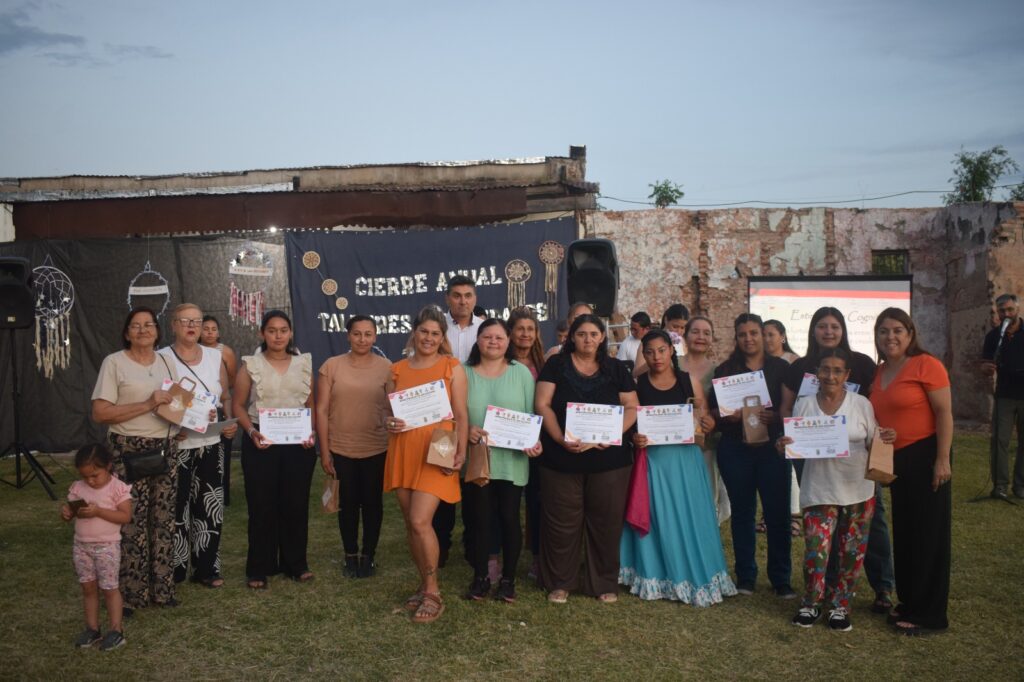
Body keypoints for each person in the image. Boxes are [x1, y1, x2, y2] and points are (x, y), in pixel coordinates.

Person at [779, 306, 896, 614]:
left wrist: (885, 440)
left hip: (858, 482)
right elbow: (792, 424)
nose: (828, 331)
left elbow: (873, 433)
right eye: (822, 326)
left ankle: (871, 591)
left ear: (847, 375)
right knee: (818, 544)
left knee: (861, 540)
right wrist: (788, 443)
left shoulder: (862, 384)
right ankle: (816, 597)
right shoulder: (802, 387)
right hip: (818, 477)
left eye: (834, 326)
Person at [619, 329, 736, 605]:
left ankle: (694, 569)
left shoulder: (688, 381)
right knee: (657, 516)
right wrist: (635, 436)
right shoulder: (638, 385)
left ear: (671, 351)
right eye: (649, 352)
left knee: (690, 515)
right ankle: (655, 573)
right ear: (644, 355)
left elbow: (703, 418)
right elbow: (632, 421)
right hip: (654, 460)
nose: (656, 357)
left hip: (686, 459)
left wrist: (707, 423)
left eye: (661, 350)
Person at [535, 314, 638, 603]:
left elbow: (632, 406)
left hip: (609, 460)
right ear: (572, 337)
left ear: (602, 337)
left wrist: (614, 433)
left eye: (594, 334)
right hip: (561, 458)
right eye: (581, 334)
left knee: (606, 522)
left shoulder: (616, 368)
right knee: (561, 522)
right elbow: (542, 404)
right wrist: (559, 438)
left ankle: (603, 583)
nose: (588, 339)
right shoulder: (556, 365)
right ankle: (560, 582)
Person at [869, 308, 953, 636]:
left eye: (897, 330)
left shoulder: (926, 364)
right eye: (883, 331)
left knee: (928, 535)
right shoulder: (879, 371)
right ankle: (909, 601)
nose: (890, 337)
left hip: (925, 454)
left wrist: (942, 459)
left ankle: (930, 614)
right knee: (905, 533)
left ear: (910, 334)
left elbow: (944, 413)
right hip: (896, 460)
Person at [91, 306, 179, 616]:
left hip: (165, 448)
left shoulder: (167, 362)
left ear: (157, 331)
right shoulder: (114, 363)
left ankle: (162, 590)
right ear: (126, 333)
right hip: (128, 449)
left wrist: (186, 420)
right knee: (131, 521)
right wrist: (147, 403)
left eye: (149, 325)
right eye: (136, 325)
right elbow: (100, 413)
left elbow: (175, 403)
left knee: (163, 520)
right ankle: (130, 594)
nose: (143, 330)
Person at [385, 307, 469, 623]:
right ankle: (423, 584)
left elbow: (461, 414)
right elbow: (389, 413)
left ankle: (433, 592)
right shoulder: (396, 370)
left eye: (435, 333)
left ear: (442, 337)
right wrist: (389, 422)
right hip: (404, 448)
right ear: (414, 332)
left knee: (421, 521)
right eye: (424, 331)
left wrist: (460, 451)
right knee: (411, 524)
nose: (429, 338)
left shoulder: (451, 367)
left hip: (439, 446)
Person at [709, 313, 794, 598]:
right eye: (743, 334)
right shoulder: (725, 370)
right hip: (735, 449)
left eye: (754, 333)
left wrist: (775, 417)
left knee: (777, 513)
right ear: (736, 337)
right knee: (743, 513)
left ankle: (781, 579)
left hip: (772, 448)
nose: (749, 339)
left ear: (763, 335)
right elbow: (713, 412)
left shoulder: (781, 368)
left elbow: (790, 408)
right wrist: (728, 415)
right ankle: (746, 576)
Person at [232, 310, 316, 590]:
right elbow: (237, 405)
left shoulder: (303, 364)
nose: (278, 336)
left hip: (297, 442)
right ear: (262, 333)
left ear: (290, 333)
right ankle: (259, 567)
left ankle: (296, 564)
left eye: (283, 330)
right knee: (261, 505)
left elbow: (310, 404)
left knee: (295, 503)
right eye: (271, 330)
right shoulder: (251, 365)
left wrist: (310, 432)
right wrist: (251, 431)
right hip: (261, 440)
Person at [463, 319, 541, 602]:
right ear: (478, 340)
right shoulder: (463, 372)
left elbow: (532, 413)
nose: (493, 342)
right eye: (487, 337)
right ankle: (481, 576)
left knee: (509, 517)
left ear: (508, 341)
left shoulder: (521, 373)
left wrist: (534, 440)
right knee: (480, 518)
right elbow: (455, 414)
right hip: (478, 458)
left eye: (499, 337)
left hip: (513, 459)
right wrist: (466, 430)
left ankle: (508, 579)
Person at [159, 304, 235, 588]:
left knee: (209, 506)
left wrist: (225, 420)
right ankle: (176, 568)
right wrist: (172, 426)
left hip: (211, 442)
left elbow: (223, 395)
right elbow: (160, 400)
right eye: (185, 320)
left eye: (197, 321)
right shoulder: (162, 357)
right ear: (173, 325)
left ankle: (206, 568)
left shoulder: (215, 356)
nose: (192, 326)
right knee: (176, 508)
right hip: (177, 445)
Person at [316, 315, 392, 578]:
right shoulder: (331, 366)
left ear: (375, 336)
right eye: (357, 334)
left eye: (368, 334)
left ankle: (368, 555)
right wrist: (324, 451)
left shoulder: (387, 367)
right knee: (347, 504)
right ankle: (350, 554)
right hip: (340, 447)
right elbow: (321, 410)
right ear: (348, 335)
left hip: (376, 447)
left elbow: (394, 407)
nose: (362, 339)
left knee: (372, 503)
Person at [432, 275, 484, 566]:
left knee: (475, 485)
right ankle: (440, 546)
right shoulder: (437, 330)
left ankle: (473, 545)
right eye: (457, 295)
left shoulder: (485, 329)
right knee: (442, 481)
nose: (463, 301)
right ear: (447, 298)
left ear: (475, 298)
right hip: (443, 420)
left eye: (468, 295)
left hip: (477, 417)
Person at [61, 443, 133, 651]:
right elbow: (72, 511)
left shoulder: (117, 488)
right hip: (82, 546)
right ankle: (92, 629)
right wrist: (67, 513)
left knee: (109, 588)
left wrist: (99, 511)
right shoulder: (78, 488)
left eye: (95, 475)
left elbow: (125, 516)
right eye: (85, 477)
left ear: (108, 466)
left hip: (107, 547)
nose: (90, 481)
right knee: (88, 588)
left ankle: (116, 630)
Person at [679, 316, 731, 524]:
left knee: (705, 494)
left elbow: (722, 408)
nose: (701, 337)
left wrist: (713, 420)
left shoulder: (719, 371)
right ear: (685, 335)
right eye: (695, 332)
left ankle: (706, 532)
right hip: (673, 442)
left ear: (712, 339)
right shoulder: (670, 364)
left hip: (705, 443)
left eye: (706, 333)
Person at [508, 306, 546, 580]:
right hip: (507, 438)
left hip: (538, 443)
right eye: (520, 328)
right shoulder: (501, 361)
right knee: (506, 503)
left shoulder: (545, 364)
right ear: (510, 332)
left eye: (530, 329)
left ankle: (537, 557)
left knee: (537, 501)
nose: (525, 334)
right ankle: (499, 555)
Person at [981, 293, 1024, 499]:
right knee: (1000, 440)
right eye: (1002, 311)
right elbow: (984, 363)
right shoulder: (993, 337)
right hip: (1004, 395)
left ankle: (1020, 486)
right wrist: (986, 369)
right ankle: (1000, 486)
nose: (1006, 314)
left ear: (1018, 309)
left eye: (1010, 310)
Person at [200, 314, 238, 505]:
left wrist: (217, 391)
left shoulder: (226, 352)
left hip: (220, 404)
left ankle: (222, 496)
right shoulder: (191, 350)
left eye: (213, 329)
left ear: (219, 332)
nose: (209, 333)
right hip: (197, 409)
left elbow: (231, 380)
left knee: (222, 454)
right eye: (206, 329)